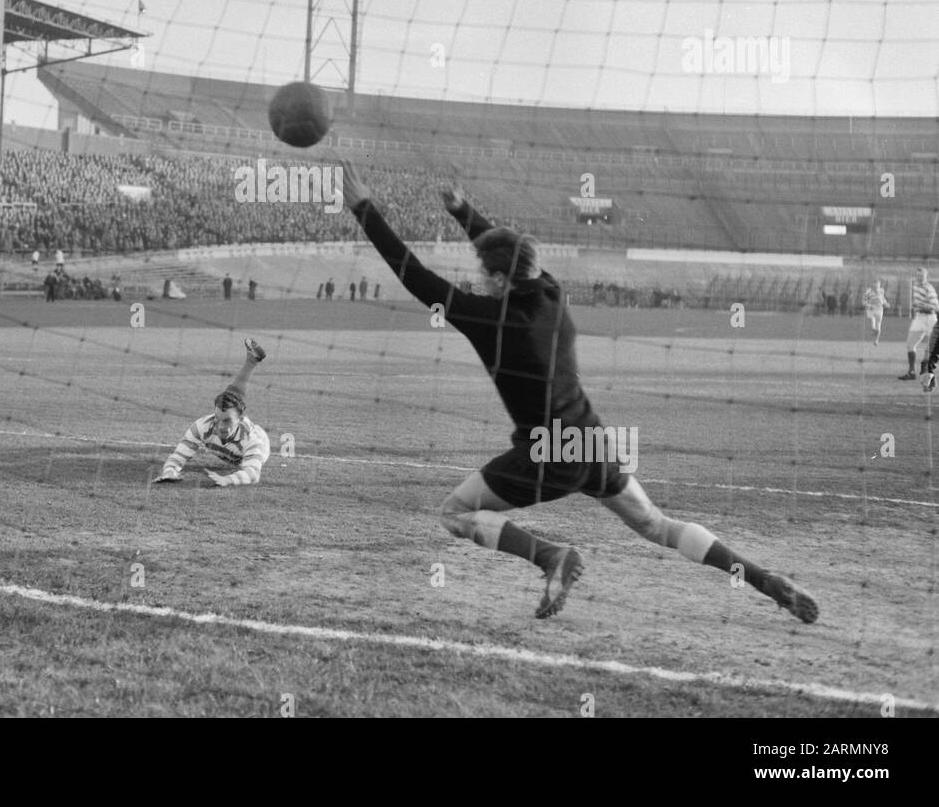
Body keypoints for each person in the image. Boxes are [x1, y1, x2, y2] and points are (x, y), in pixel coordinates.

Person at [338, 160, 818, 623]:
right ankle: (762, 579)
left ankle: (551, 557)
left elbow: (415, 276)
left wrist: (365, 209)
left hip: (548, 452)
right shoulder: (552, 292)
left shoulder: (491, 320)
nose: (480, 282)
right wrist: (465, 213)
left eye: (486, 275)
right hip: (591, 440)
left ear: (502, 280)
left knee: (455, 513)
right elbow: (516, 258)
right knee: (656, 525)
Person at [153, 339, 271, 488]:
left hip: (252, 446)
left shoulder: (253, 439)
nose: (220, 426)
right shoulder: (203, 426)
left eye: (227, 421)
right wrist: (169, 472)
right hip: (229, 442)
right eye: (218, 418)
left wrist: (228, 480)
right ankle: (251, 361)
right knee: (230, 399)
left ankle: (251, 361)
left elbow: (253, 474)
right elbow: (179, 455)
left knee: (232, 400)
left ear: (241, 419)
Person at [899, 266, 938, 380]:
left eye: (922, 275)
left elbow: (936, 306)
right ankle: (911, 372)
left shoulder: (929, 288)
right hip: (919, 318)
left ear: (926, 276)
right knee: (910, 345)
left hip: (930, 318)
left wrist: (924, 306)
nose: (919, 277)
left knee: (933, 347)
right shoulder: (915, 286)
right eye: (918, 275)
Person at [863, 279, 889, 347]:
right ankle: (873, 328)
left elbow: (882, 299)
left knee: (879, 325)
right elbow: (863, 301)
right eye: (875, 284)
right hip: (871, 308)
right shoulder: (868, 291)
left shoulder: (881, 291)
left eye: (877, 285)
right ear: (872, 284)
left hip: (879, 309)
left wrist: (886, 303)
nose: (876, 286)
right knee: (872, 318)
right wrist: (869, 305)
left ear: (879, 285)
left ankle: (876, 340)